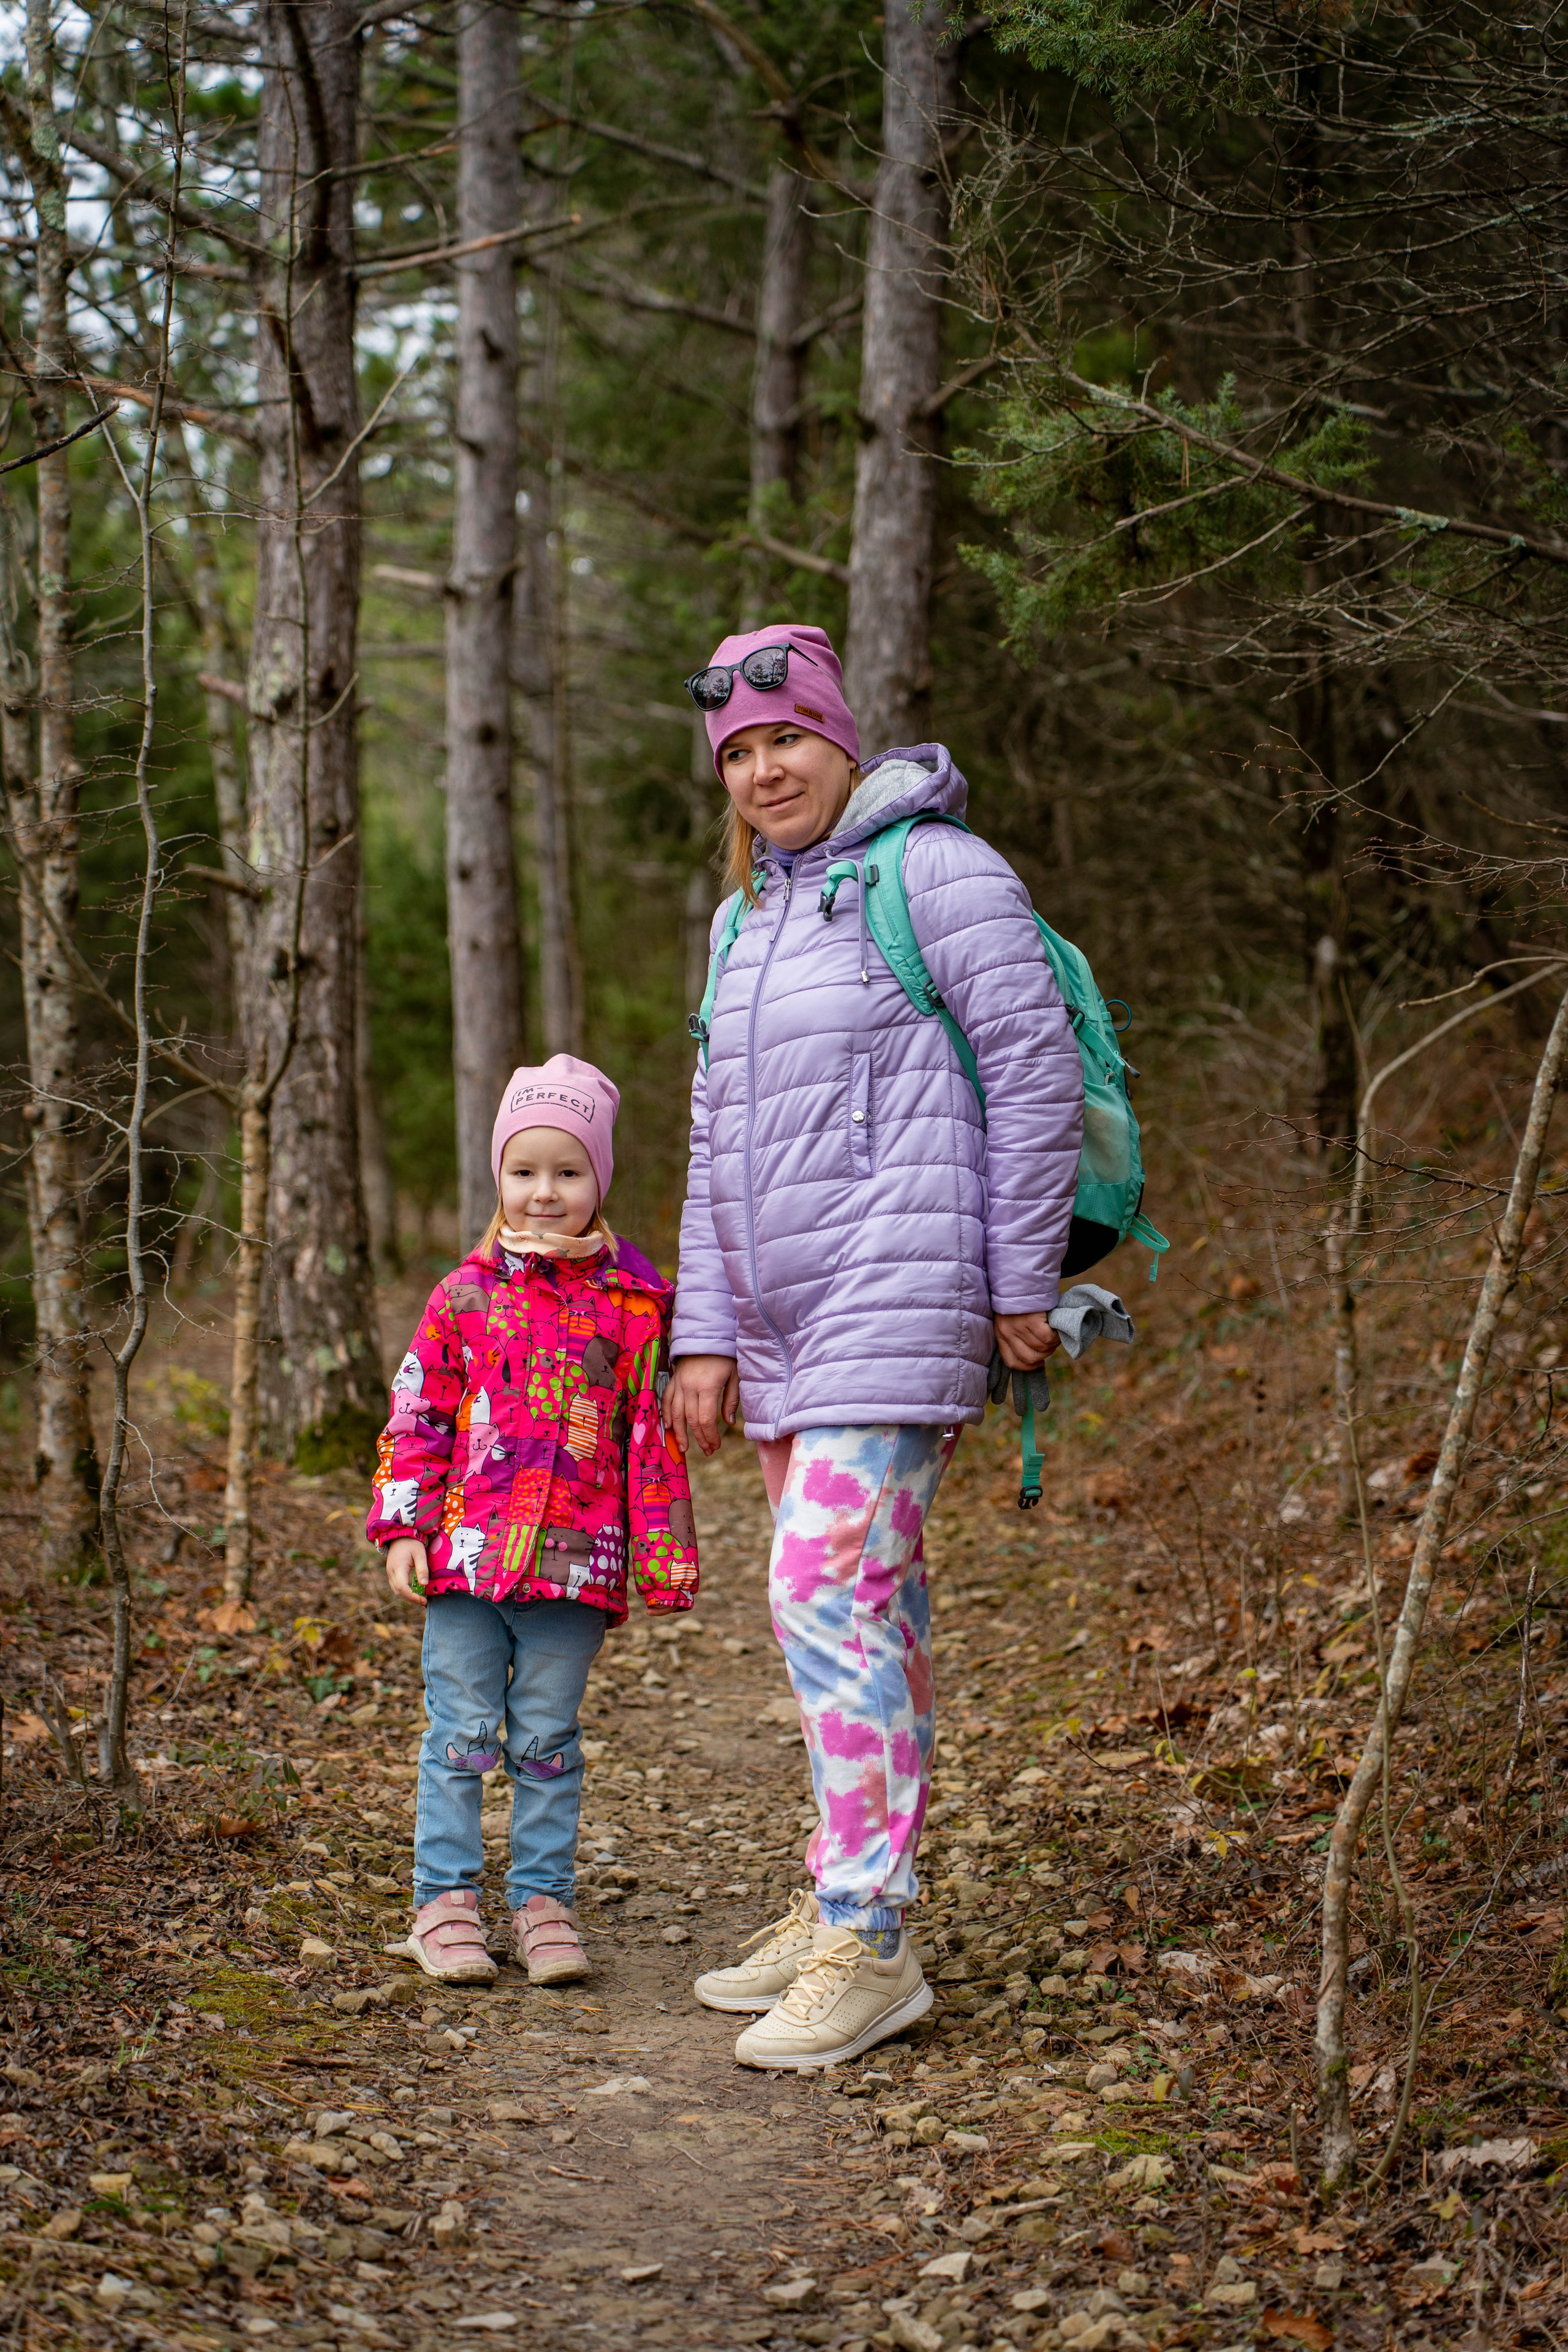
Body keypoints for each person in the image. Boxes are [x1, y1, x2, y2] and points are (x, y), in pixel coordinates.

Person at [664, 624, 1082, 2069]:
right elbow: (713, 1135)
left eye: (785, 737)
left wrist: (1017, 1278)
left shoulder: (935, 872)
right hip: (784, 1330)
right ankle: (846, 1898)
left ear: (840, 738)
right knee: (865, 1619)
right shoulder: (744, 923)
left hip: (897, 1301)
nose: (764, 766)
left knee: (820, 1601)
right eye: (739, 752)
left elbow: (1029, 1067)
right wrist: (703, 1332)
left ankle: (870, 1936)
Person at [367, 1054, 699, 1989]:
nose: (544, 1192)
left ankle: (543, 1901)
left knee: (547, 1740)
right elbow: (417, 1415)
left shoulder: (635, 1309)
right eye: (524, 1171)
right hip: (466, 1568)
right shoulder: (462, 1297)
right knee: (461, 1732)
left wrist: (663, 1559)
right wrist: (403, 1527)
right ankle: (445, 1902)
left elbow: (650, 1443)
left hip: (575, 1571)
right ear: (498, 1176)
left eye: (567, 1171)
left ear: (600, 1178)